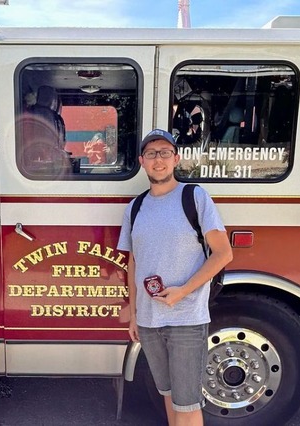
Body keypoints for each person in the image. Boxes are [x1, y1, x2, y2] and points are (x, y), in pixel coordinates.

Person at [117, 129, 233, 426]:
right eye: (152, 154)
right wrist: (134, 313)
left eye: (165, 153)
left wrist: (183, 291)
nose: (159, 160)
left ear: (176, 159)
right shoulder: (136, 207)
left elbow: (223, 254)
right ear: (142, 161)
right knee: (168, 395)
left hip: (187, 320)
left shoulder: (194, 197)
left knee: (187, 403)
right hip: (150, 321)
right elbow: (133, 262)